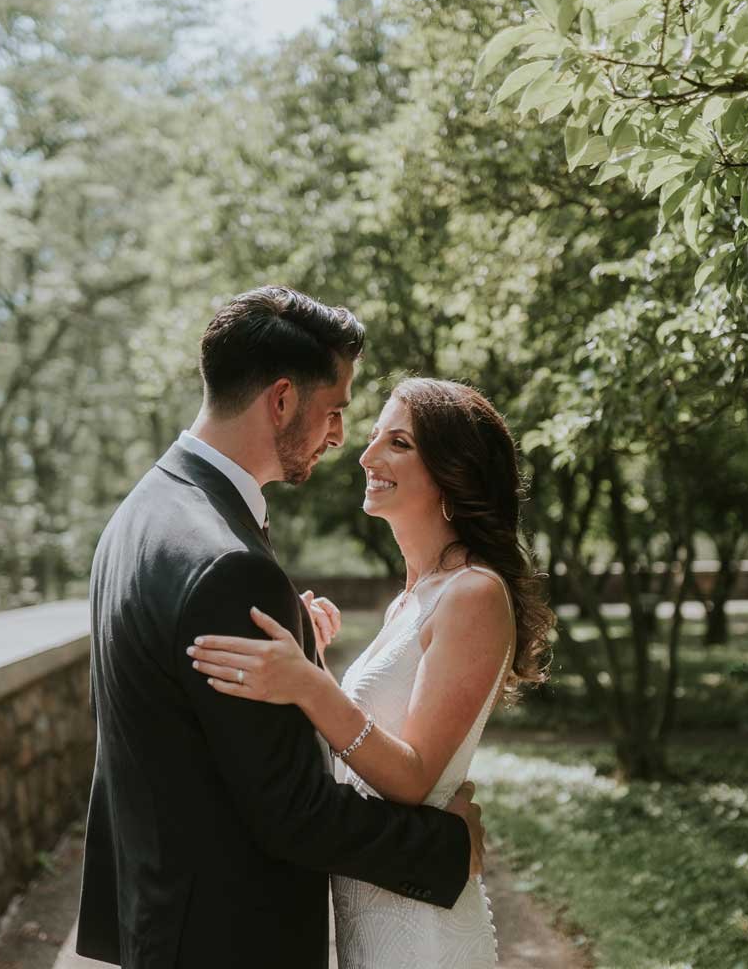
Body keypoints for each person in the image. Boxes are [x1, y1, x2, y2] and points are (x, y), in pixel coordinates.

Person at [74, 287, 485, 969]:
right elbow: (292, 812)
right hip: (229, 940)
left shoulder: (143, 514)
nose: (341, 438)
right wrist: (447, 846)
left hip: (163, 921)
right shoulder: (228, 564)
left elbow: (183, 729)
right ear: (284, 400)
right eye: (336, 411)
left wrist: (301, 654)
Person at [189, 377, 555, 969]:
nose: (366, 455)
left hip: (424, 932)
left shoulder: (473, 595)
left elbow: (410, 779)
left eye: (399, 443)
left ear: (452, 472)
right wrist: (312, 657)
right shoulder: (412, 599)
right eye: (374, 436)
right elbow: (366, 742)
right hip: (374, 911)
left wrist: (308, 684)